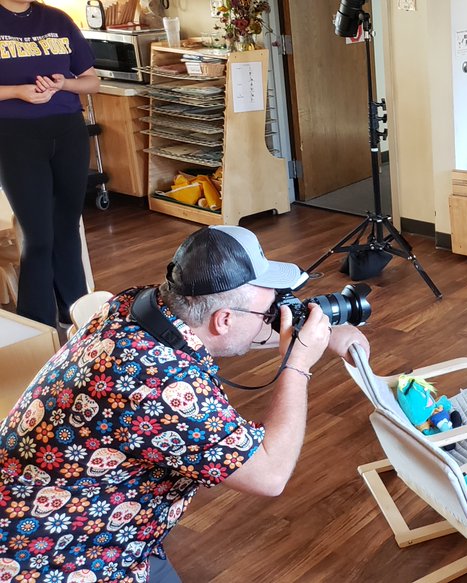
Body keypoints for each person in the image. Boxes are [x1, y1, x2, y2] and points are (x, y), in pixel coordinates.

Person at [0, 225, 370, 582]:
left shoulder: (139, 304)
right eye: (267, 311)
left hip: (70, 516)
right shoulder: (161, 385)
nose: (273, 316)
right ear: (223, 319)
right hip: (58, 558)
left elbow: (225, 336)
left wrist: (315, 335)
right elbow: (269, 475)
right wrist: (298, 363)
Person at [0, 0, 101, 327]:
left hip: (68, 131)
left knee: (68, 227)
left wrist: (64, 84)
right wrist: (18, 92)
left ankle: (76, 314)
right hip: (15, 137)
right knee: (39, 235)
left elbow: (92, 81)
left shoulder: (58, 19)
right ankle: (37, 327)